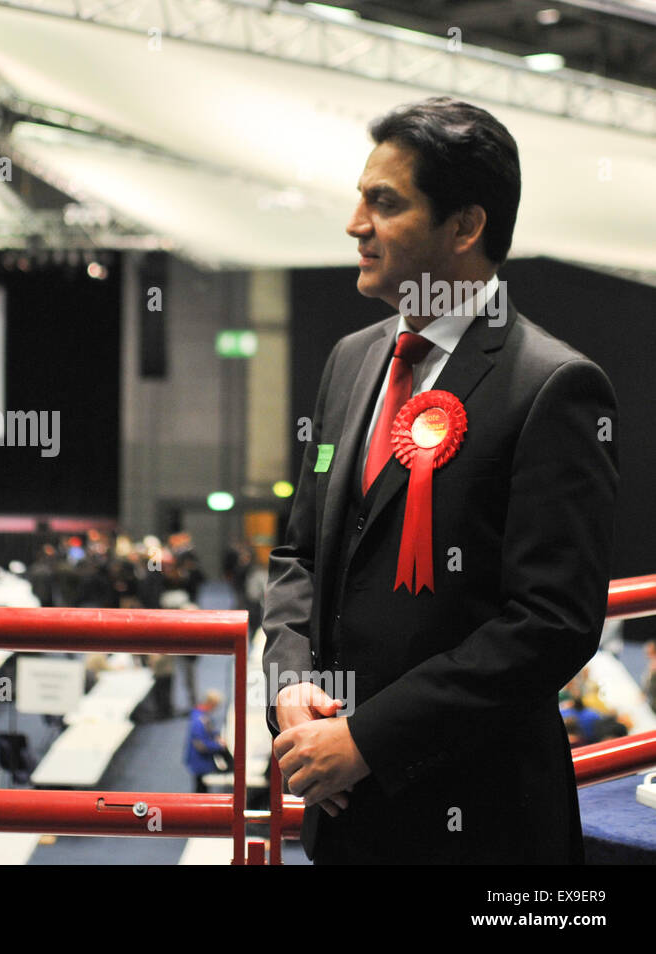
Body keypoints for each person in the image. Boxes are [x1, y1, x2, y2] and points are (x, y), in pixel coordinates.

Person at [263, 98, 619, 864]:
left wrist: (367, 738)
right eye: (361, 199)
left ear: (465, 227)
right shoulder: (351, 360)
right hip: (344, 815)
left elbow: (552, 623)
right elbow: (299, 559)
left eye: (384, 203)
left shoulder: (555, 386)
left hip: (481, 825)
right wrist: (290, 689)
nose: (355, 223)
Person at [185, 690, 234, 793]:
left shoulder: (203, 716)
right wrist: (217, 746)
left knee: (201, 787)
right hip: (200, 761)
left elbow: (210, 731)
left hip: (202, 760)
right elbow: (200, 745)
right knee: (201, 789)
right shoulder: (199, 720)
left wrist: (216, 737)